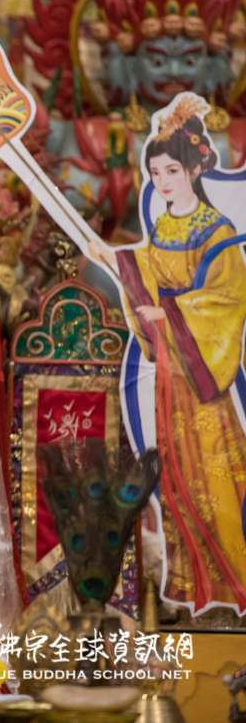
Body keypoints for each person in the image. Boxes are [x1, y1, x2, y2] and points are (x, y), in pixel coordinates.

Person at [91, 100, 246, 613]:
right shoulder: (163, 228)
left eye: (172, 171)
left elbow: (229, 300)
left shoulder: (217, 230)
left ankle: (232, 586)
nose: (162, 181)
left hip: (202, 376)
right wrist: (114, 259)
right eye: (155, 172)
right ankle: (193, 586)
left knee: (214, 479)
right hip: (170, 380)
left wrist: (170, 313)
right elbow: (148, 271)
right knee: (176, 480)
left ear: (195, 169)